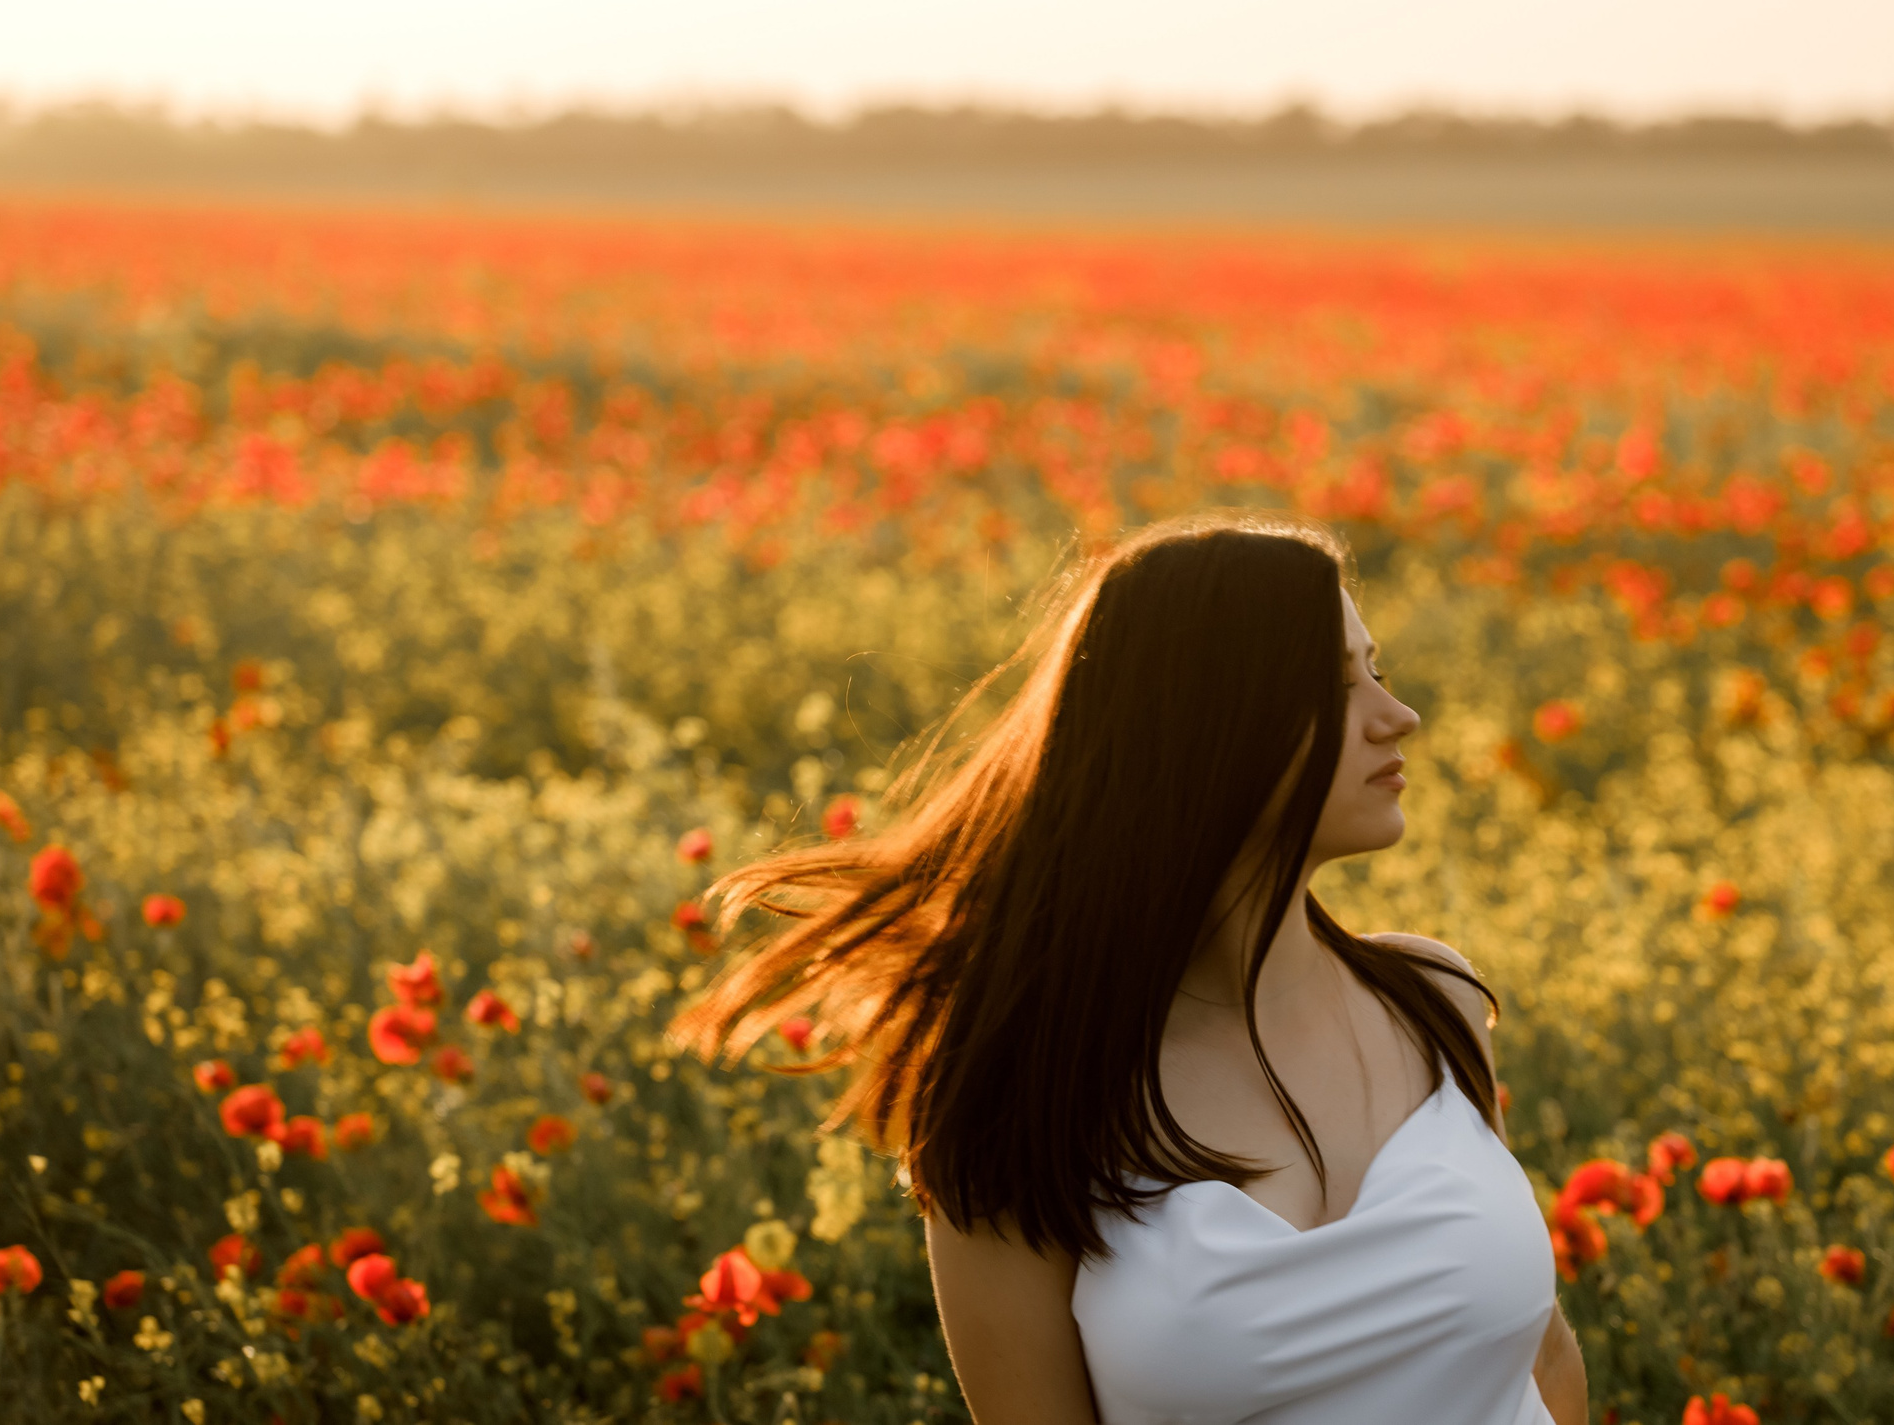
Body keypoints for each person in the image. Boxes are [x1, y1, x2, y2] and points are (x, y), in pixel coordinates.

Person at [674, 511, 1588, 1423]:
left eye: (1376, 671)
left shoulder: (1434, 1003)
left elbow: (1541, 1356)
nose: (1399, 716)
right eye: (1336, 684)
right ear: (1205, 727)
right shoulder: (1026, 1102)